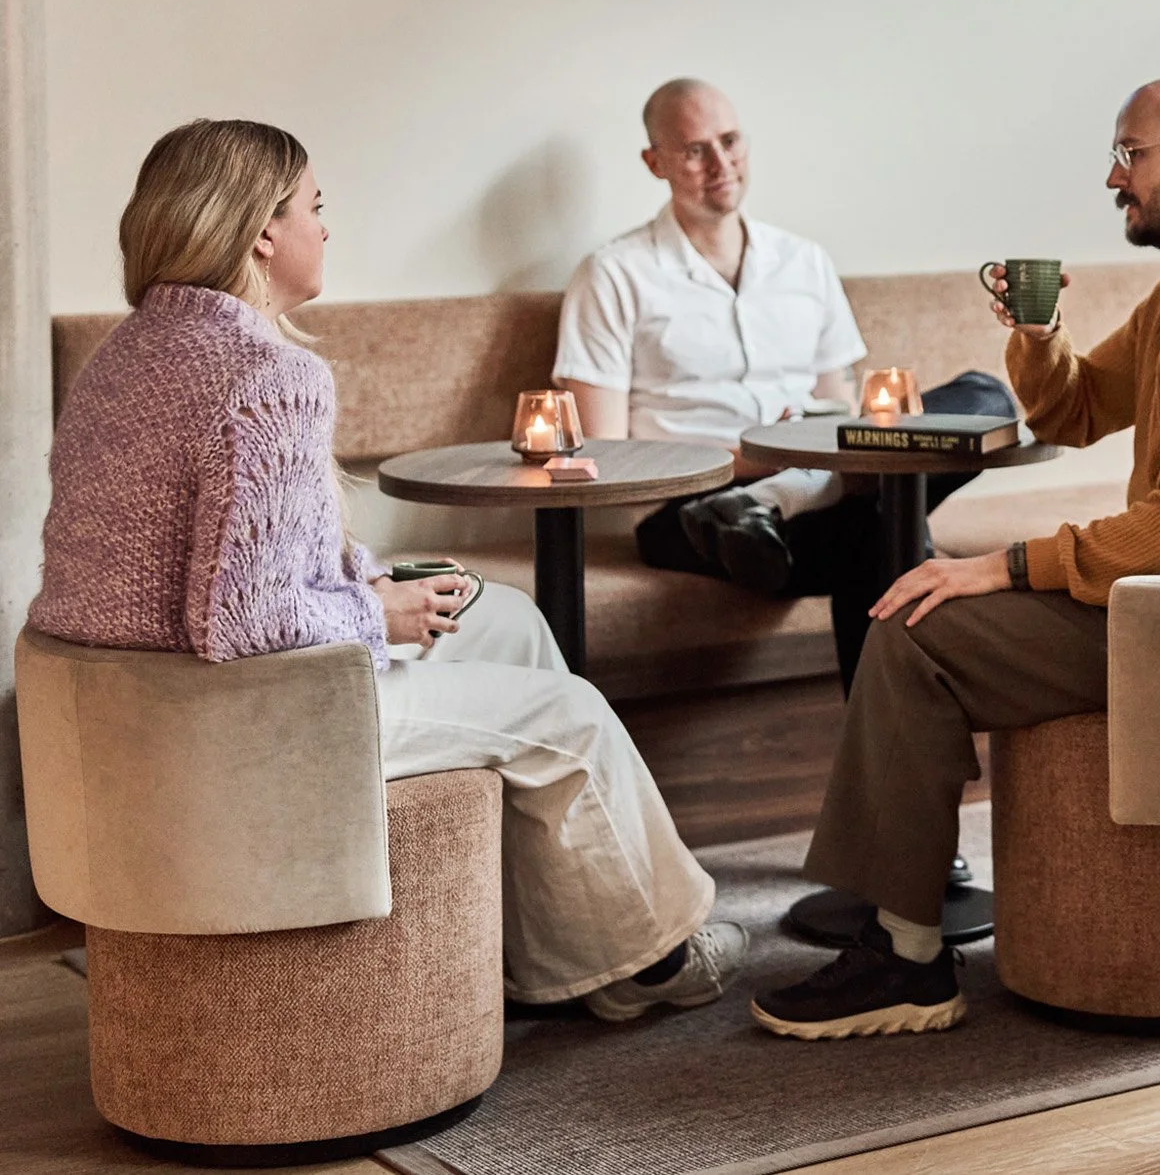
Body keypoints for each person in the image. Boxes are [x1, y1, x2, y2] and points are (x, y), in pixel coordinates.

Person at [30, 119, 743, 1018]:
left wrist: (368, 580)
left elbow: (240, 549)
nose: (325, 227)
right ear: (261, 231)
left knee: (509, 619)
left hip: (139, 704)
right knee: (571, 716)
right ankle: (653, 960)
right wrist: (377, 615)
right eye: (313, 206)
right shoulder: (262, 373)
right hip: (240, 719)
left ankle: (547, 950)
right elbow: (243, 620)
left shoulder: (126, 355)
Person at [748, 73, 1160, 1040]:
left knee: (915, 631)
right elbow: (1075, 409)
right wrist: (1039, 335)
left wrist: (1002, 564)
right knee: (922, 607)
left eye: (1131, 153)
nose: (1114, 177)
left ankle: (904, 959)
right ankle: (904, 926)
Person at [555, 78, 1013, 685]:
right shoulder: (613, 274)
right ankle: (887, 749)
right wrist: (758, 458)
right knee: (879, 530)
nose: (720, 164)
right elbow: (605, 456)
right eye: (694, 150)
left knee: (985, 399)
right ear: (654, 162)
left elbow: (839, 411)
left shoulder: (804, 262)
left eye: (730, 141)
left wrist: (818, 454)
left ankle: (767, 506)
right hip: (688, 509)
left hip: (815, 485)